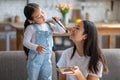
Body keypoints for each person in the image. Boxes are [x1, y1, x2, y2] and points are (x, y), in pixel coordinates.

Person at [23, 3, 65, 80]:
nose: (42, 16)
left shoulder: (49, 25)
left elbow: (62, 31)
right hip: (34, 59)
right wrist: (36, 47)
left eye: (42, 12)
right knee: (32, 77)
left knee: (47, 77)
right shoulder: (31, 28)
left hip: (47, 59)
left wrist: (57, 22)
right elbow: (25, 42)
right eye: (38, 16)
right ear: (31, 20)